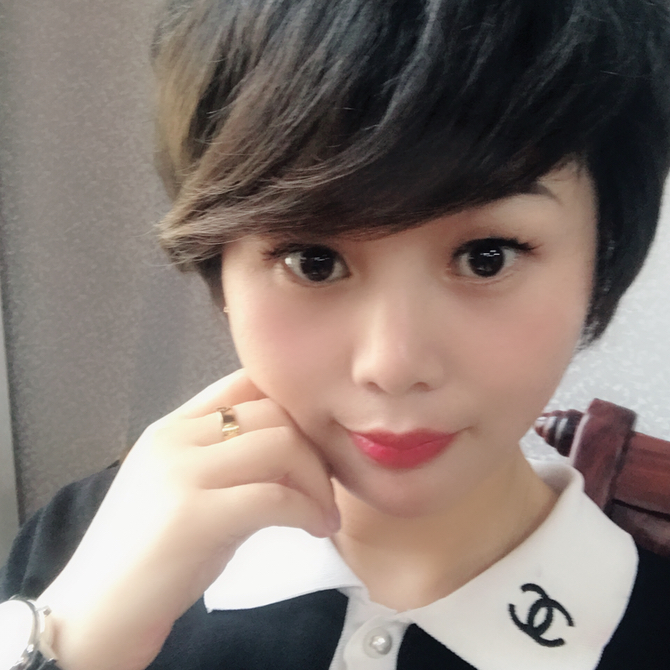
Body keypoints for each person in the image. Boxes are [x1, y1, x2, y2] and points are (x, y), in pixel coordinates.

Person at [1, 0, 670, 668]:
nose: (393, 365)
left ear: (600, 260)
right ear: (221, 270)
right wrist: (66, 643)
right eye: (313, 261)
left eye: (485, 258)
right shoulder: (86, 539)